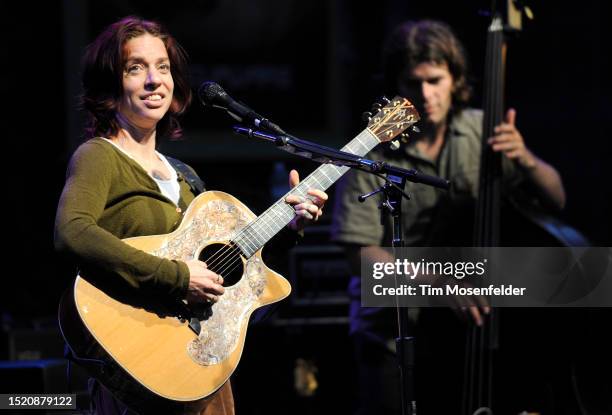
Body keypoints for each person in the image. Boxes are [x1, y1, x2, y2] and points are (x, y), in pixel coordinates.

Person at [54, 16, 327, 415]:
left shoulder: (185, 176)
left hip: (200, 366)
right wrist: (178, 277)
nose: (154, 80)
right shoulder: (99, 156)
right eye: (135, 68)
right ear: (110, 87)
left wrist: (289, 227)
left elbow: (233, 274)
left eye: (162, 67)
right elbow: (72, 232)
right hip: (139, 364)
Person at [331, 20, 566, 414]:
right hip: (392, 333)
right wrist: (440, 283)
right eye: (412, 83)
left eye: (435, 80)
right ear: (396, 88)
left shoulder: (481, 129)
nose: (425, 94)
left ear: (454, 80)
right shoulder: (372, 151)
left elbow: (556, 202)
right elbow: (361, 258)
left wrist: (525, 159)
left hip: (463, 331)